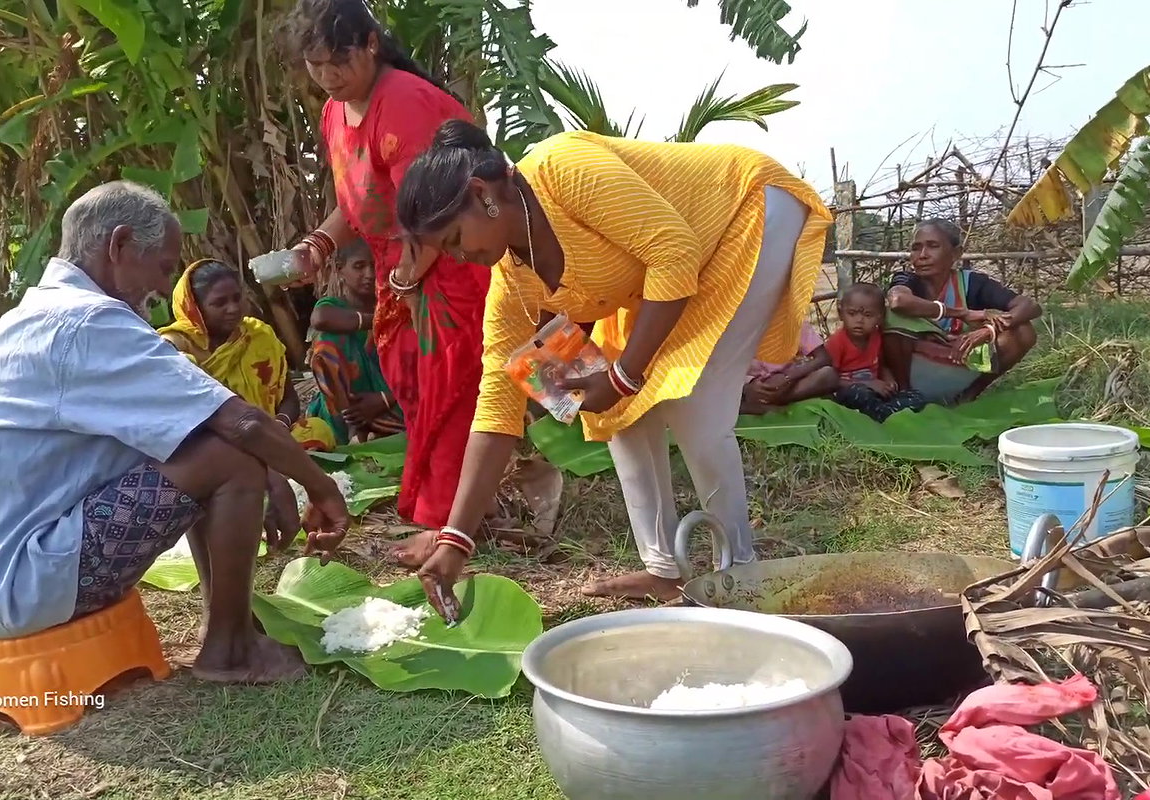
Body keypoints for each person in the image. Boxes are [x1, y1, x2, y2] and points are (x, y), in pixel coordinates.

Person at [394, 121, 832, 610]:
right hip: (664, 268)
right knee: (610, 409)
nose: (461, 258)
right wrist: (455, 539)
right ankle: (665, 570)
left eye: (455, 239)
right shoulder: (513, 283)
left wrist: (624, 375)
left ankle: (739, 577)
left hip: (745, 213)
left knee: (695, 402)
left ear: (482, 195)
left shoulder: (561, 168)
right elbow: (496, 404)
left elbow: (673, 250)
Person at [0, 182, 348, 683]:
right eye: (160, 267)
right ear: (120, 245)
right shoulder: (88, 322)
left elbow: (194, 427)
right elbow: (239, 422)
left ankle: (226, 626)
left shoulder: (41, 315)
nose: (161, 289)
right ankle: (231, 650)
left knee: (203, 442)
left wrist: (274, 471)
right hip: (25, 582)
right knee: (229, 455)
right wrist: (321, 486)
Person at [279, 0, 487, 532]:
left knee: (449, 387)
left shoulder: (403, 104)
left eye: (339, 61)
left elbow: (435, 214)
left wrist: (404, 282)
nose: (327, 76)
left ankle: (449, 523)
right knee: (414, 386)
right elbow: (358, 202)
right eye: (315, 64)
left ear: (371, 44)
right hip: (402, 271)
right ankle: (433, 507)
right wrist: (318, 246)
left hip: (453, 263)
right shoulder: (333, 111)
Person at [159, 259, 336, 451]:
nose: (233, 308)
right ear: (195, 309)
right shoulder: (175, 346)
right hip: (222, 446)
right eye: (219, 303)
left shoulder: (258, 335)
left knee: (317, 429)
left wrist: (281, 424)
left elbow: (288, 397)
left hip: (270, 435)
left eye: (237, 298)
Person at [884, 220, 1041, 404]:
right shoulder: (907, 280)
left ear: (956, 253)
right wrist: (960, 313)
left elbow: (1029, 306)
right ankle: (905, 395)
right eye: (916, 248)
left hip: (958, 357)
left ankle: (967, 396)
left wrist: (988, 330)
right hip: (915, 365)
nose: (923, 255)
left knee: (1024, 331)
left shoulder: (970, 282)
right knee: (892, 315)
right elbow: (898, 300)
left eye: (933, 246)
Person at [307, 240, 404, 443]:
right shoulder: (333, 305)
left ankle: (374, 429)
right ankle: (350, 427)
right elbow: (320, 319)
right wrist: (382, 322)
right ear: (341, 270)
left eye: (375, 265)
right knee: (327, 343)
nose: (369, 274)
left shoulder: (400, 305)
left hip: (392, 397)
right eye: (359, 266)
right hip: (348, 404)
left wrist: (386, 398)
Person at [825, 283, 928, 422]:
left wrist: (889, 380)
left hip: (875, 391)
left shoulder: (877, 337)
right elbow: (830, 381)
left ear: (880, 317)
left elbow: (881, 364)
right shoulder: (836, 343)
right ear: (840, 313)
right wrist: (868, 383)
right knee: (860, 394)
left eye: (868, 315)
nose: (859, 320)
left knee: (917, 396)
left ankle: (883, 412)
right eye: (852, 313)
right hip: (848, 392)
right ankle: (888, 415)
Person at [740, 321, 839, 416]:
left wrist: (788, 377)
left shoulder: (791, 319)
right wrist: (747, 387)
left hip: (792, 382)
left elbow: (823, 358)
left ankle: (770, 407)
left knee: (828, 375)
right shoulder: (732, 327)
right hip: (754, 390)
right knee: (734, 402)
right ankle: (775, 407)